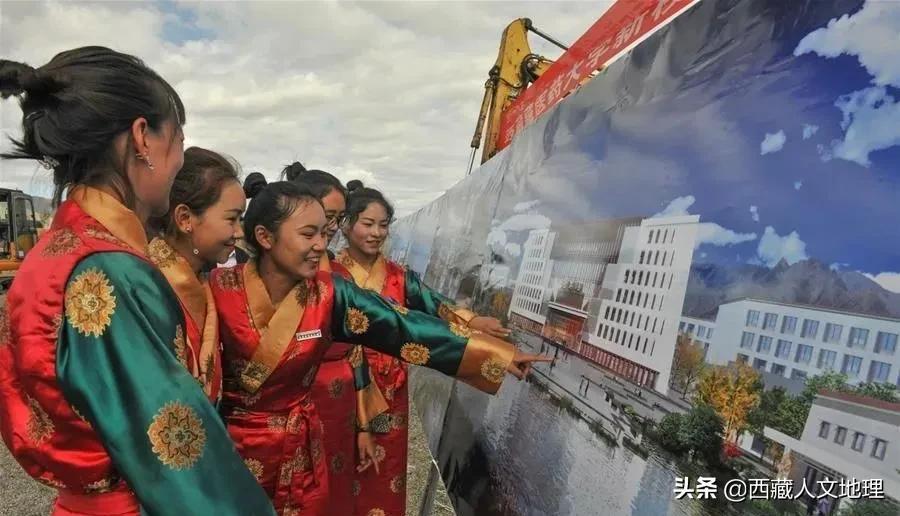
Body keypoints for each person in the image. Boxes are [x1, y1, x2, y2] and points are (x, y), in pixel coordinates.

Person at [0, 48, 274, 515]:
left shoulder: (58, 249)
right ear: (143, 138)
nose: (179, 161)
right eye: (179, 140)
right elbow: (177, 450)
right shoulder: (109, 269)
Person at [210, 181, 548, 515]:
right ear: (265, 237)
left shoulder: (329, 293)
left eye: (324, 234)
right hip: (232, 447)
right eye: (308, 234)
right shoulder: (218, 289)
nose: (320, 245)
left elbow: (402, 325)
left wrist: (494, 354)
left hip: (302, 449)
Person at [334, 180, 511, 516]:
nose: (376, 233)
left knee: (385, 475)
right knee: (341, 471)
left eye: (383, 225)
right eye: (367, 224)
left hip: (391, 386)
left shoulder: (399, 276)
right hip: (344, 386)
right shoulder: (332, 274)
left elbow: (435, 305)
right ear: (346, 225)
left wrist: (473, 322)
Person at [286, 163, 385, 515]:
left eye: (337, 218)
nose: (331, 227)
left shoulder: (340, 277)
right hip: (288, 409)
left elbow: (362, 349)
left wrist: (364, 426)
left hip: (340, 404)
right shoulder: (271, 274)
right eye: (328, 216)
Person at [147, 146, 247, 402]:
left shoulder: (201, 281)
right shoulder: (146, 285)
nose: (239, 232)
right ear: (185, 219)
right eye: (232, 219)